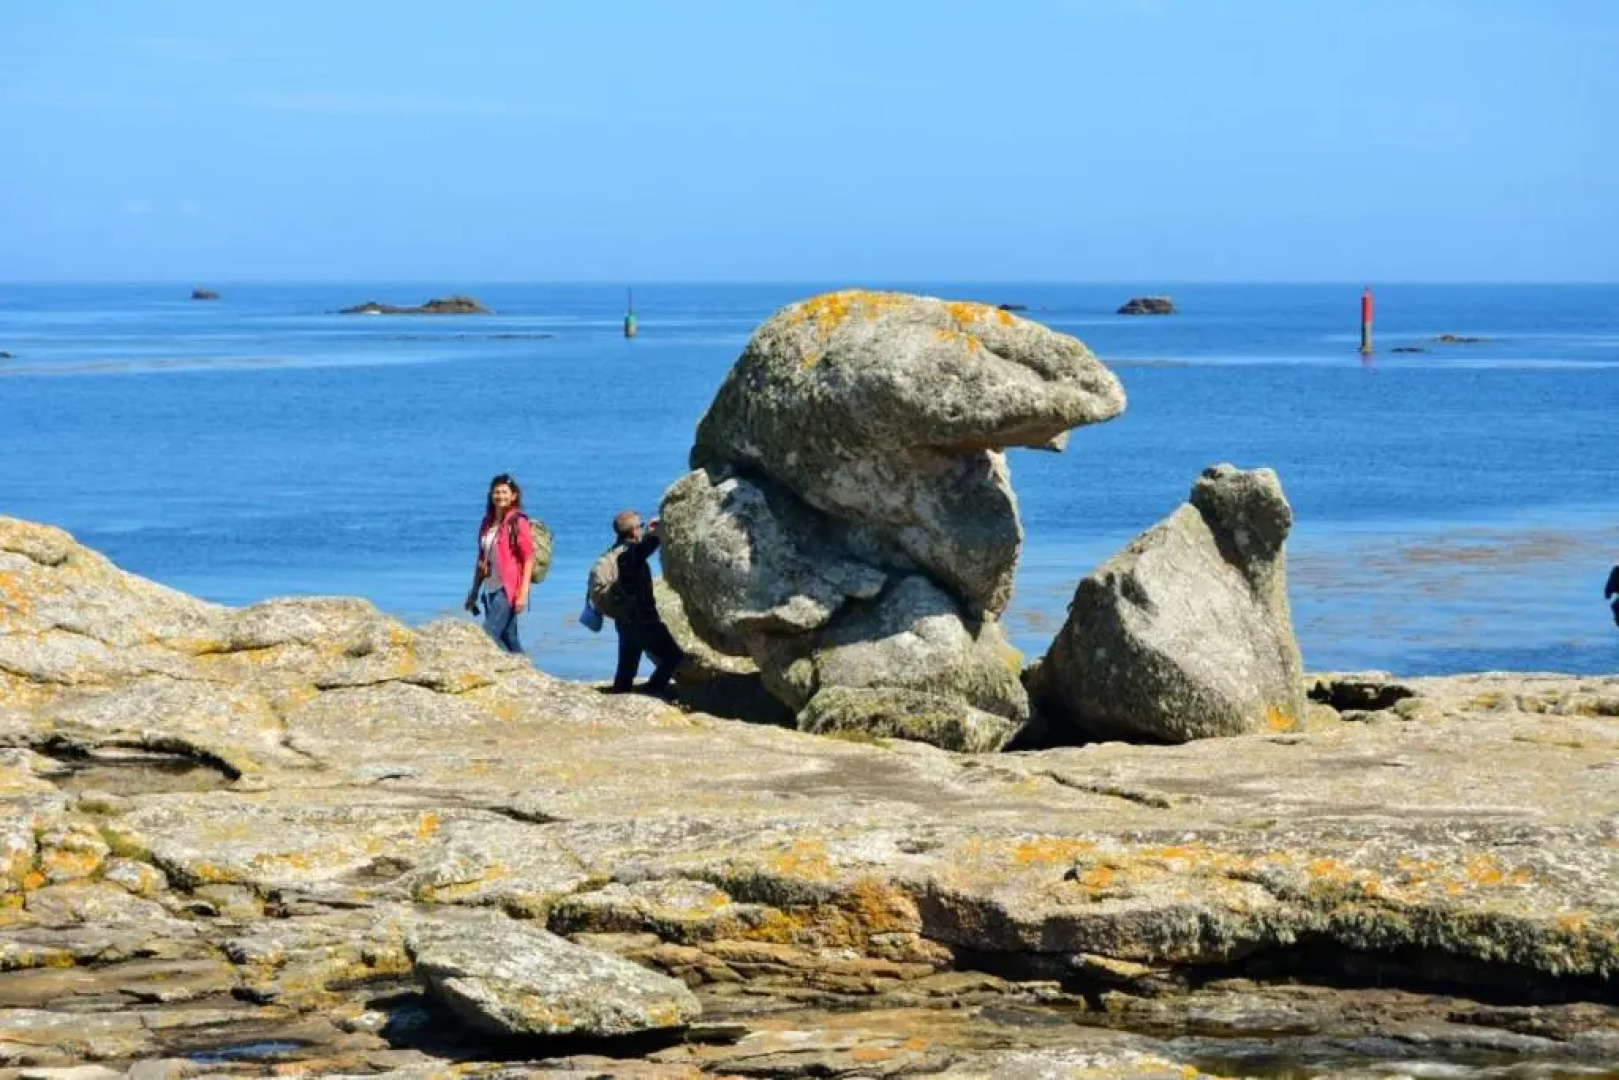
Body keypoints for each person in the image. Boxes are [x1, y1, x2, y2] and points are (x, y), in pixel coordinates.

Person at [607, 509, 685, 698]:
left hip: (624, 620)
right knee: (673, 655)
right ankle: (652, 691)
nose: (641, 529)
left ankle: (620, 696)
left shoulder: (614, 552)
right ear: (634, 531)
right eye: (640, 526)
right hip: (644, 621)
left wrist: (650, 532)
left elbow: (643, 548)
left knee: (626, 668)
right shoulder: (629, 555)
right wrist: (656, 532)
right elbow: (646, 548)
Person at [464, 473, 536, 653]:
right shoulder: (487, 523)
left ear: (513, 496)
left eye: (505, 492)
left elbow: (528, 559)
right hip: (489, 589)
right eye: (496, 492)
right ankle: (524, 668)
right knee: (509, 638)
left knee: (488, 635)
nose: (500, 496)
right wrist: (474, 591)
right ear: (491, 495)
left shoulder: (518, 522)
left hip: (508, 590)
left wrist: (522, 594)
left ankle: (518, 668)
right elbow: (481, 559)